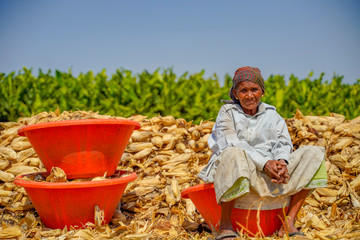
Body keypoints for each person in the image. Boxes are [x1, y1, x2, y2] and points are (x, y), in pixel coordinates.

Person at [198, 66, 327, 239]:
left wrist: (281, 162)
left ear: (262, 92)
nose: (249, 95)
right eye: (243, 90)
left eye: (254, 90)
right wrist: (264, 163)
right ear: (235, 93)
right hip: (241, 169)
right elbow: (231, 142)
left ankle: (288, 223)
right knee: (232, 152)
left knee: (313, 153)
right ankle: (226, 225)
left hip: (271, 169)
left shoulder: (272, 114)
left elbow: (283, 142)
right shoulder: (227, 113)